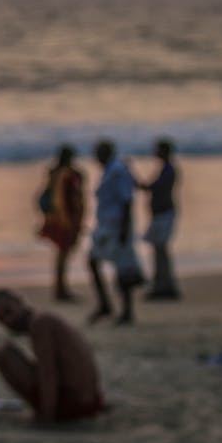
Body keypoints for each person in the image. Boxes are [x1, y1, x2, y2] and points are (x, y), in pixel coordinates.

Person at [0, 289, 105, 425]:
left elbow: (48, 372)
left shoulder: (40, 323)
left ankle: (42, 410)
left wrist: (47, 417)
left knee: (3, 353)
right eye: (1, 319)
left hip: (76, 405)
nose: (8, 320)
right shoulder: (45, 320)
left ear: (20, 302)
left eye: (9, 312)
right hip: (90, 401)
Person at [88, 139, 143, 325]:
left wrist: (124, 230)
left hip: (116, 226)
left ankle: (124, 310)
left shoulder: (117, 171)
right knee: (96, 262)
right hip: (106, 225)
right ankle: (107, 305)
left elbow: (127, 200)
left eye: (98, 152)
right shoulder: (110, 170)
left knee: (121, 268)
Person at [36, 144, 85, 301]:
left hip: (61, 218)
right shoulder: (66, 175)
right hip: (65, 219)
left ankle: (60, 288)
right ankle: (61, 290)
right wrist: (68, 220)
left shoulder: (57, 173)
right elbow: (62, 200)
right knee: (63, 254)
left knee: (62, 254)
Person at [136, 138, 180, 300]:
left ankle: (164, 285)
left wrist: (134, 176)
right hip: (161, 214)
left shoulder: (168, 170)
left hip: (164, 214)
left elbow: (153, 187)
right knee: (159, 250)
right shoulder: (166, 169)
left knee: (160, 250)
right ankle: (163, 284)